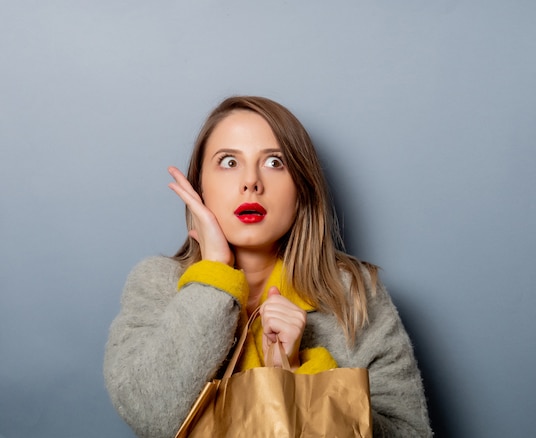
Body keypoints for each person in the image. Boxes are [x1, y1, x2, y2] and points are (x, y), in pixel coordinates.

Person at [103, 96, 432, 437]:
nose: (251, 183)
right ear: (200, 185)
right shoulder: (156, 284)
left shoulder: (355, 294)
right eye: (229, 162)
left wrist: (299, 376)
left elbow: (410, 432)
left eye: (275, 162)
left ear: (302, 188)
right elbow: (151, 415)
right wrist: (213, 277)